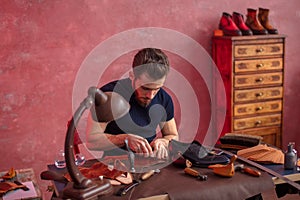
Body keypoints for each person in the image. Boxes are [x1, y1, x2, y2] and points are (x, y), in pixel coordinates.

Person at [86, 48, 179, 159]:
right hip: (114, 164)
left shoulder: (164, 99)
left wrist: (164, 142)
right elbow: (92, 142)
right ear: (132, 76)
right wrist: (124, 139)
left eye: (157, 89)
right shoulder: (109, 95)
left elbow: (172, 135)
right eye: (145, 88)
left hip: (148, 162)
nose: (151, 96)